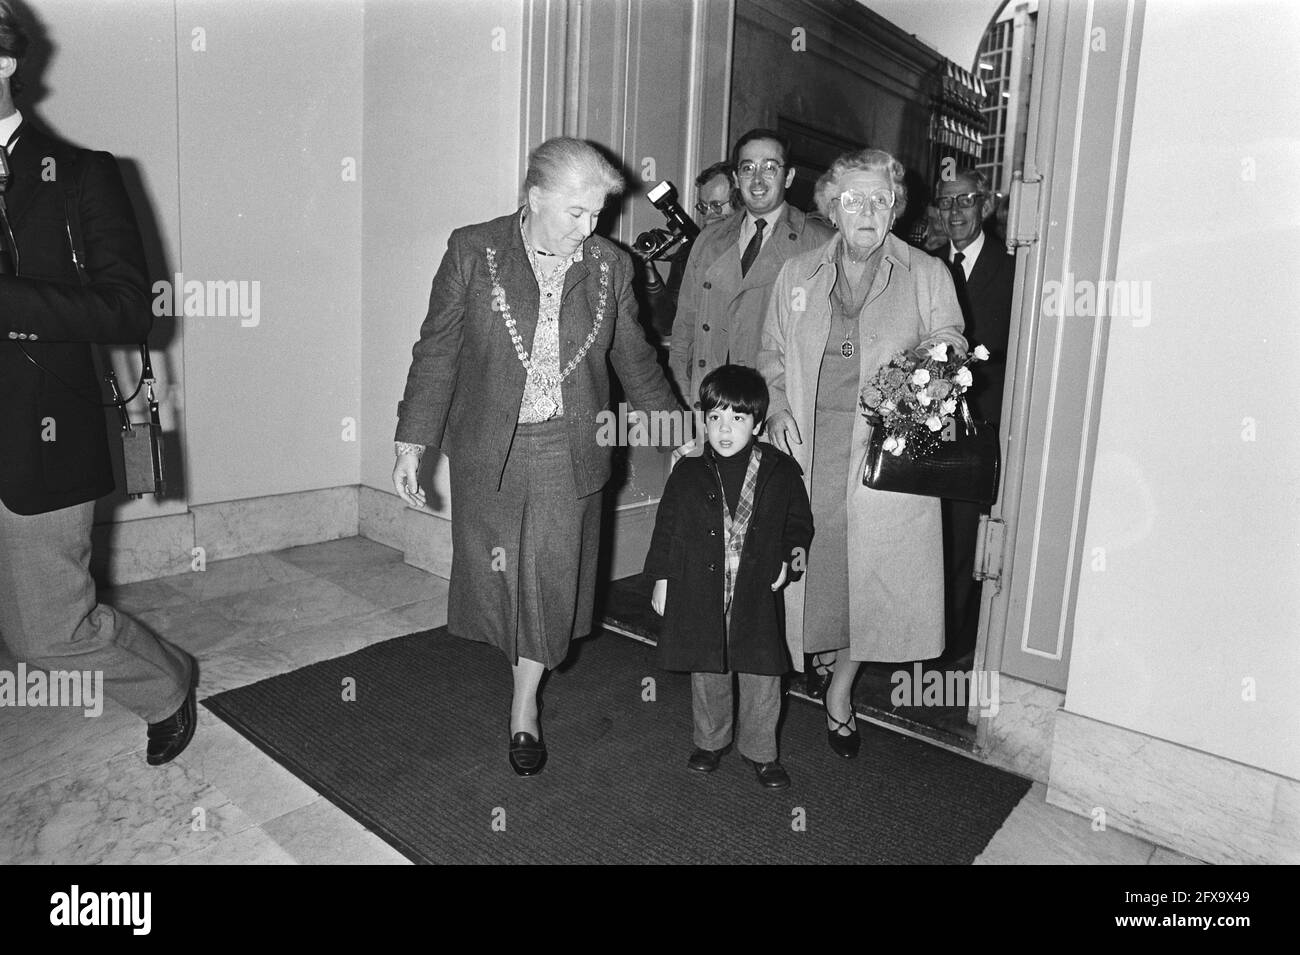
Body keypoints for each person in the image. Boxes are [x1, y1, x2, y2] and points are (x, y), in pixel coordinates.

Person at [393, 136, 684, 777]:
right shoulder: (474, 249)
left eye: (599, 215)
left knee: (550, 581)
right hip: (489, 446)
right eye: (577, 213)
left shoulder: (608, 265)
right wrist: (413, 443)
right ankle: (517, 658)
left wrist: (677, 428)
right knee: (499, 580)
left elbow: (635, 357)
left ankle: (525, 704)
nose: (591, 229)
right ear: (533, 199)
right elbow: (437, 352)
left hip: (569, 444)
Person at [0, 1, 196, 765]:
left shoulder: (82, 176)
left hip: (40, 437)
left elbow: (129, 310)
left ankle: (167, 684)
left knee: (48, 634)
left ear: (6, 63)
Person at [758, 148, 966, 758]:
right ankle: (814, 653)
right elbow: (769, 353)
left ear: (896, 207)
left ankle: (841, 690)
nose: (867, 211)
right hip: (807, 446)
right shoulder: (797, 274)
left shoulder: (926, 272)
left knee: (869, 580)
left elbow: (951, 342)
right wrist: (774, 407)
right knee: (812, 563)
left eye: (880, 199)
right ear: (831, 206)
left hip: (883, 455)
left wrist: (926, 377)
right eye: (853, 200)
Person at [645, 365, 812, 789]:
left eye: (737, 418)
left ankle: (761, 750)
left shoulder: (781, 471)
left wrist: (787, 560)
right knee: (709, 668)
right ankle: (710, 740)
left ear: (757, 423)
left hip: (754, 591)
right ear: (704, 420)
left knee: (762, 672)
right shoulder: (688, 471)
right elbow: (667, 527)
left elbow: (799, 527)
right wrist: (663, 578)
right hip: (702, 589)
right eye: (715, 416)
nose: (724, 429)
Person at [668, 128, 834, 409]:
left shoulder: (819, 243)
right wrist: (681, 399)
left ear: (789, 176)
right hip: (709, 405)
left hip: (776, 409)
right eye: (748, 168)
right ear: (736, 178)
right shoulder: (710, 240)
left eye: (770, 167)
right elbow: (684, 329)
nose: (757, 179)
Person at [932, 169, 1014, 659]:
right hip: (931, 424)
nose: (956, 211)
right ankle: (927, 633)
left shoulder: (1012, 266)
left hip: (984, 423)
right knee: (932, 533)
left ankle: (958, 643)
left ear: (984, 206)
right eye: (947, 203)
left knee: (967, 534)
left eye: (965, 201)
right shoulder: (928, 266)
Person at [642, 160, 737, 337]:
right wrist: (649, 276)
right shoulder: (690, 253)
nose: (708, 216)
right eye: (703, 206)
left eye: (716, 206)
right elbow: (668, 324)